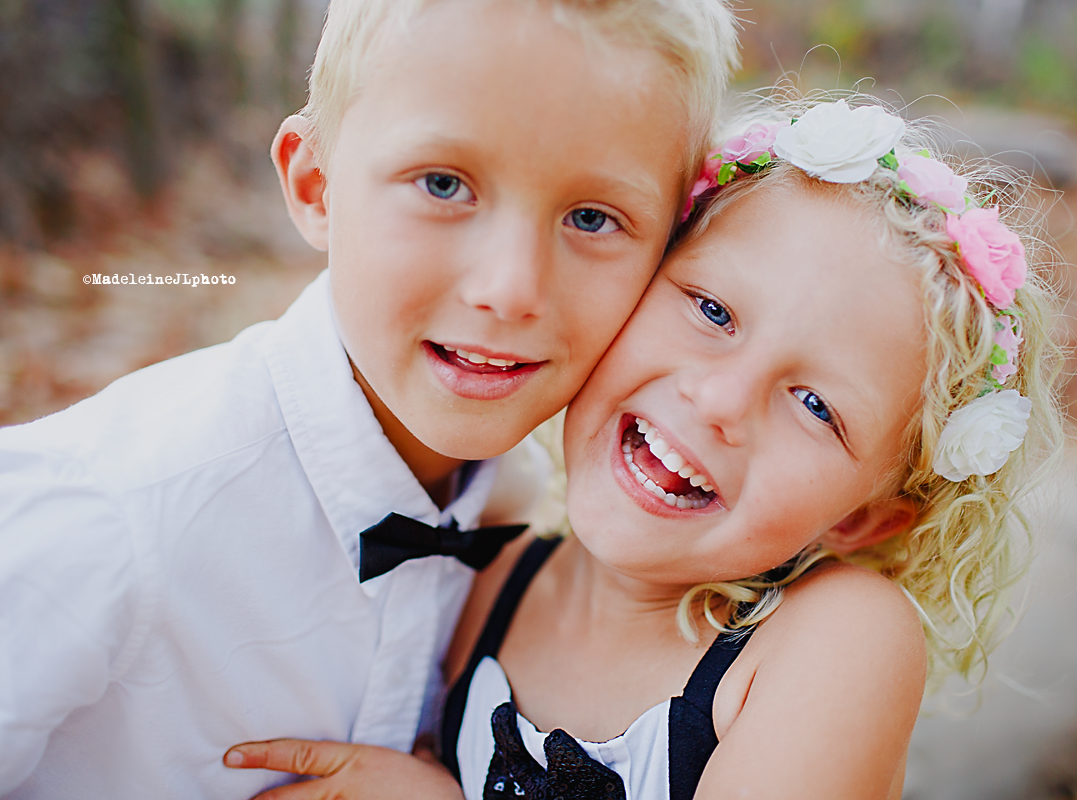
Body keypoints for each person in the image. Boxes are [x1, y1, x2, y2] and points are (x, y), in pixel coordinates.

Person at [224, 93, 1065, 799]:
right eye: (711, 311)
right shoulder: (491, 582)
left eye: (815, 405)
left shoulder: (833, 643)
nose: (721, 399)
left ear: (866, 521)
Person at [0, 0, 742, 797]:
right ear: (316, 185)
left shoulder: (530, 520)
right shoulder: (105, 513)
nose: (510, 289)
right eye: (444, 184)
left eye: (593, 218)